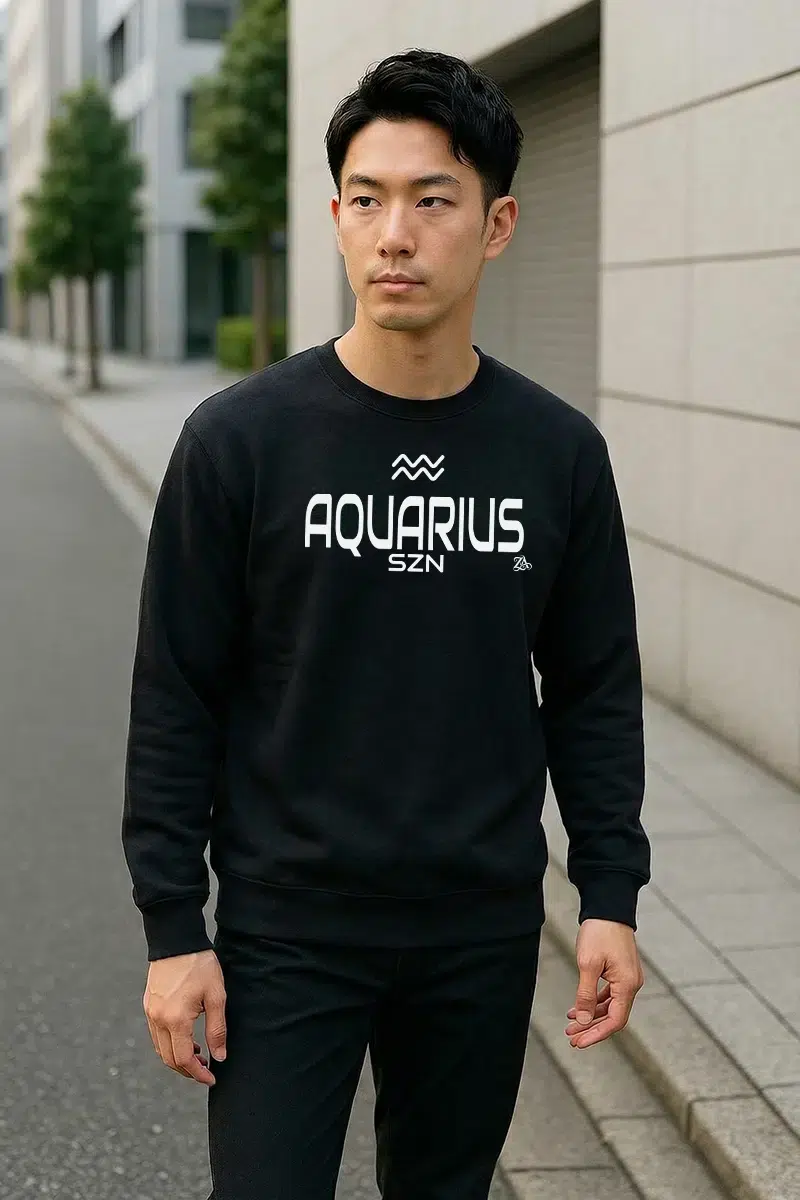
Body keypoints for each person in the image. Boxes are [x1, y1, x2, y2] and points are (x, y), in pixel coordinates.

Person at [122, 48, 650, 1200]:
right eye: (365, 200)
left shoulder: (556, 454)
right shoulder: (239, 443)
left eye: (431, 201)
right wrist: (173, 927)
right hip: (286, 926)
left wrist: (608, 897)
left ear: (496, 224)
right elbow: (176, 691)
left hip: (477, 926)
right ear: (335, 218)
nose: (393, 235)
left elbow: (593, 688)